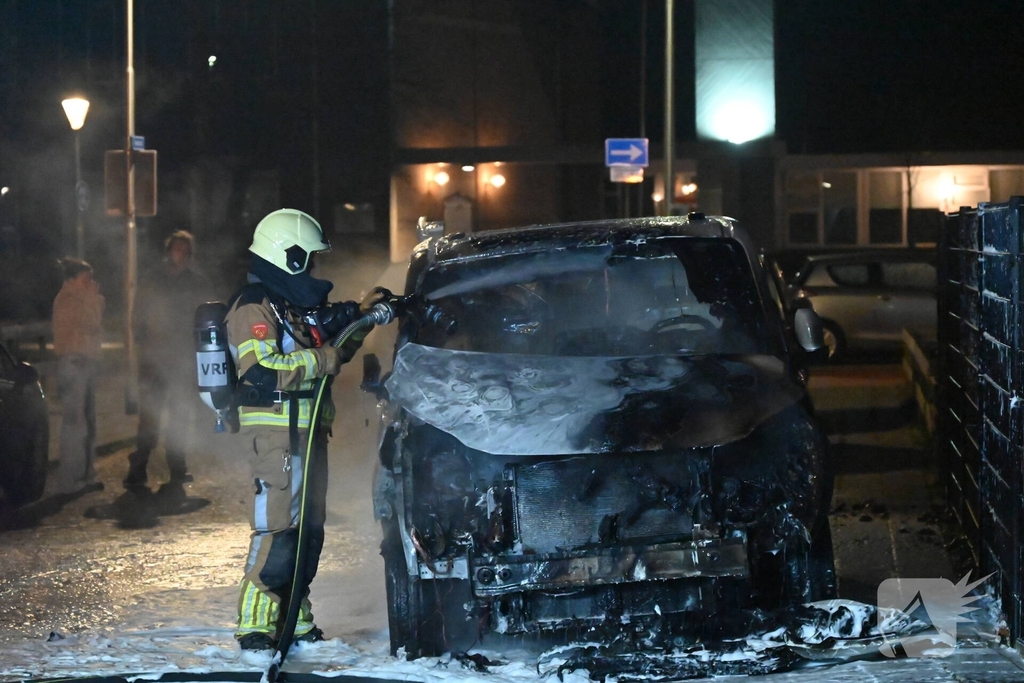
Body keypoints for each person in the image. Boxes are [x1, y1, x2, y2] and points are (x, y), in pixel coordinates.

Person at [226, 208, 382, 653]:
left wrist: (363, 317)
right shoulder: (253, 307)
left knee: (308, 531)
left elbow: (327, 345)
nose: (313, 270)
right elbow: (260, 370)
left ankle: (294, 619)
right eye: (308, 260)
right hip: (276, 436)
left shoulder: (288, 306)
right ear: (289, 257)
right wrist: (324, 359)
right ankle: (256, 624)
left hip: (307, 434)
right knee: (279, 530)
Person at [124, 230, 211, 490]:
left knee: (180, 414)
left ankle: (177, 467)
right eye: (176, 249)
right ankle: (138, 468)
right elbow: (139, 314)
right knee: (150, 415)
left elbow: (205, 316)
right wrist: (144, 340)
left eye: (185, 250)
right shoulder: (153, 280)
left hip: (183, 358)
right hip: (155, 357)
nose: (180, 254)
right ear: (169, 251)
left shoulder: (196, 282)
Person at [51, 257, 105, 496]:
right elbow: (92, 323)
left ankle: (85, 476)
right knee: (76, 425)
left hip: (84, 364)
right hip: (75, 364)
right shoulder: (69, 299)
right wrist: (94, 298)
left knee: (88, 422)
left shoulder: (78, 297)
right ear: (73, 279)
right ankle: (71, 480)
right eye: (86, 279)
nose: (90, 283)